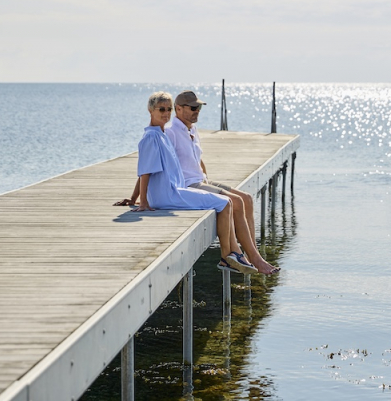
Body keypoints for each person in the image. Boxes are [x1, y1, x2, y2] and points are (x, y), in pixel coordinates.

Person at [113, 91, 257, 275]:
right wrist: (143, 203)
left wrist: (134, 198)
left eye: (169, 109)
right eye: (161, 109)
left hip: (174, 190)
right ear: (150, 110)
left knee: (227, 202)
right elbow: (145, 171)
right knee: (225, 203)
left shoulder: (161, 134)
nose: (166, 113)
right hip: (169, 194)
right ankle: (228, 256)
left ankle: (231, 255)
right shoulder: (152, 137)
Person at [168, 90, 279, 275]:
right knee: (236, 202)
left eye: (199, 107)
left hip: (200, 179)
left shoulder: (192, 129)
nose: (197, 111)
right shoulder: (171, 133)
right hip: (188, 185)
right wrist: (141, 197)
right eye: (193, 108)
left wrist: (207, 178)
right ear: (178, 109)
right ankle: (250, 258)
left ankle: (252, 255)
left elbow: (198, 158)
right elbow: (157, 163)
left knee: (247, 198)